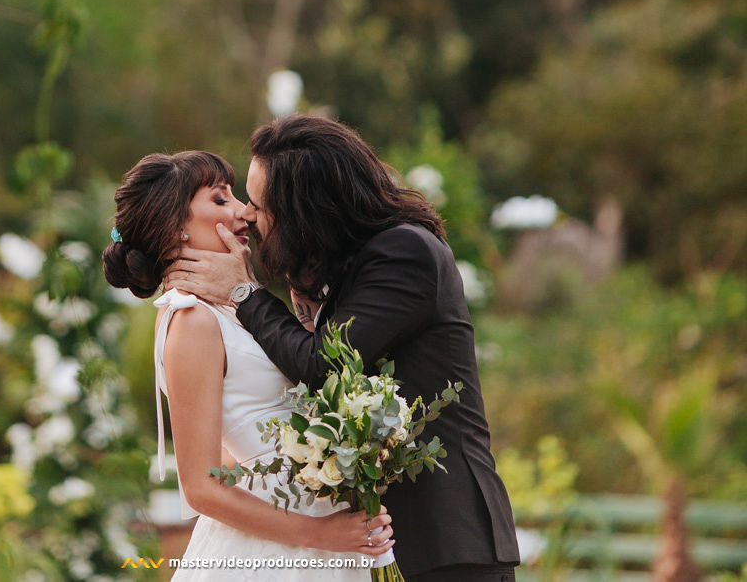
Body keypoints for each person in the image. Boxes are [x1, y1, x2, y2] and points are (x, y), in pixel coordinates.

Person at [164, 117, 520, 582]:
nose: (249, 214)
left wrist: (245, 294)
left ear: (307, 206)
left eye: (261, 203)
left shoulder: (403, 253)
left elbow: (324, 365)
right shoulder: (337, 266)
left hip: (440, 537)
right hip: (364, 546)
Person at [102, 150, 394, 575]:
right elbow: (200, 487)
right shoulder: (191, 320)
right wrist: (320, 534)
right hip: (287, 546)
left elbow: (233, 450)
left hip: (310, 520)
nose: (244, 212)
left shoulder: (226, 308)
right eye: (220, 200)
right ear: (174, 227)